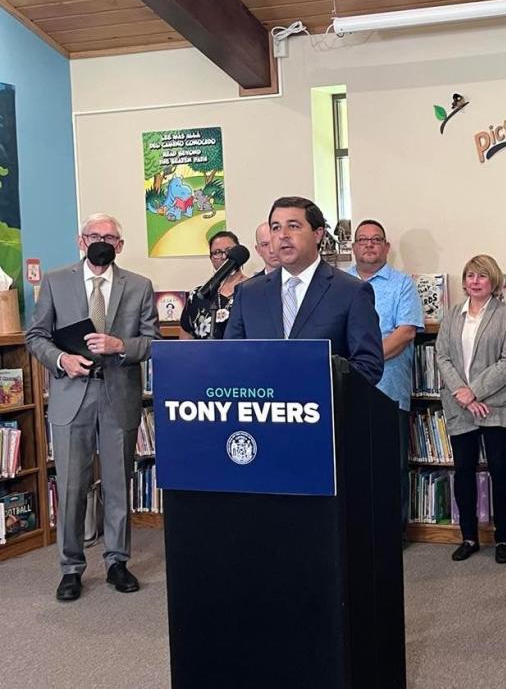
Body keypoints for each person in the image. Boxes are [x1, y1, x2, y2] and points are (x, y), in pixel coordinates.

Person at [26, 213, 160, 602]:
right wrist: (61, 361)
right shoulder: (54, 280)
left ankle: (118, 561)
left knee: (119, 483)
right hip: (72, 395)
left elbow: (151, 340)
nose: (102, 241)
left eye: (110, 237)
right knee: (71, 487)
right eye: (94, 235)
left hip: (118, 394)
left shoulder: (139, 285)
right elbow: (36, 336)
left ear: (120, 245)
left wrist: (122, 345)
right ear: (80, 241)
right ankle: (71, 567)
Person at [224, 196, 384, 386]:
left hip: (324, 409)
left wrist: (314, 381)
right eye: (276, 227)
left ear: (318, 234)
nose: (283, 235)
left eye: (293, 226)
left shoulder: (351, 291)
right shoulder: (249, 293)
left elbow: (369, 365)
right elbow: (231, 358)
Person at [435, 255, 506, 564]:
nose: (474, 281)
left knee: (500, 470)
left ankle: (502, 539)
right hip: (460, 405)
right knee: (464, 472)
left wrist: (475, 391)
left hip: (494, 404)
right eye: (470, 275)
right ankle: (469, 537)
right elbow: (442, 355)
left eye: (481, 276)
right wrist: (464, 394)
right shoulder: (452, 316)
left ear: (493, 281)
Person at [346, 219, 425, 531]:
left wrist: (362, 363)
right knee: (351, 467)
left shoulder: (402, 284)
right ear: (353, 247)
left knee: (390, 467)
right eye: (363, 239)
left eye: (376, 239)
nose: (369, 244)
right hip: (345, 391)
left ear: (386, 247)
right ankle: (356, 530)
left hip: (389, 390)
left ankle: (393, 533)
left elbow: (405, 333)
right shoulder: (337, 283)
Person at [180, 230, 248, 339]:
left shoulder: (254, 289)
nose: (224, 256)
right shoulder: (199, 295)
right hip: (204, 355)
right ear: (211, 258)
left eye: (229, 250)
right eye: (217, 252)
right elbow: (186, 336)